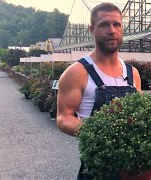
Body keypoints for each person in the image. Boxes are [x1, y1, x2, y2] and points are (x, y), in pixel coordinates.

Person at [56, 2, 141, 179]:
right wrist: (98, 133)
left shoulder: (132, 73)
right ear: (91, 29)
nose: (112, 30)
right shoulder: (77, 73)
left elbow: (140, 114)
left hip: (133, 164)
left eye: (116, 24)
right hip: (97, 168)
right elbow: (64, 117)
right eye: (104, 25)